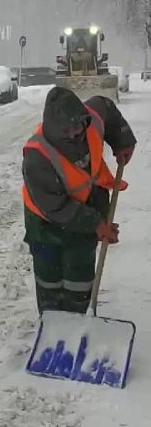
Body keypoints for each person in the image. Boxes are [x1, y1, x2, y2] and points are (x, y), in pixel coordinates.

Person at [22, 86, 136, 315]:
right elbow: (55, 207)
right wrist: (96, 224)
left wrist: (122, 139)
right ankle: (52, 320)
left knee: (79, 274)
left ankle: (78, 317)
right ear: (53, 128)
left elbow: (106, 107)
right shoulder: (37, 156)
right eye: (67, 129)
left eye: (78, 126)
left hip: (84, 209)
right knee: (50, 277)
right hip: (44, 221)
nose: (75, 133)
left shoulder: (91, 119)